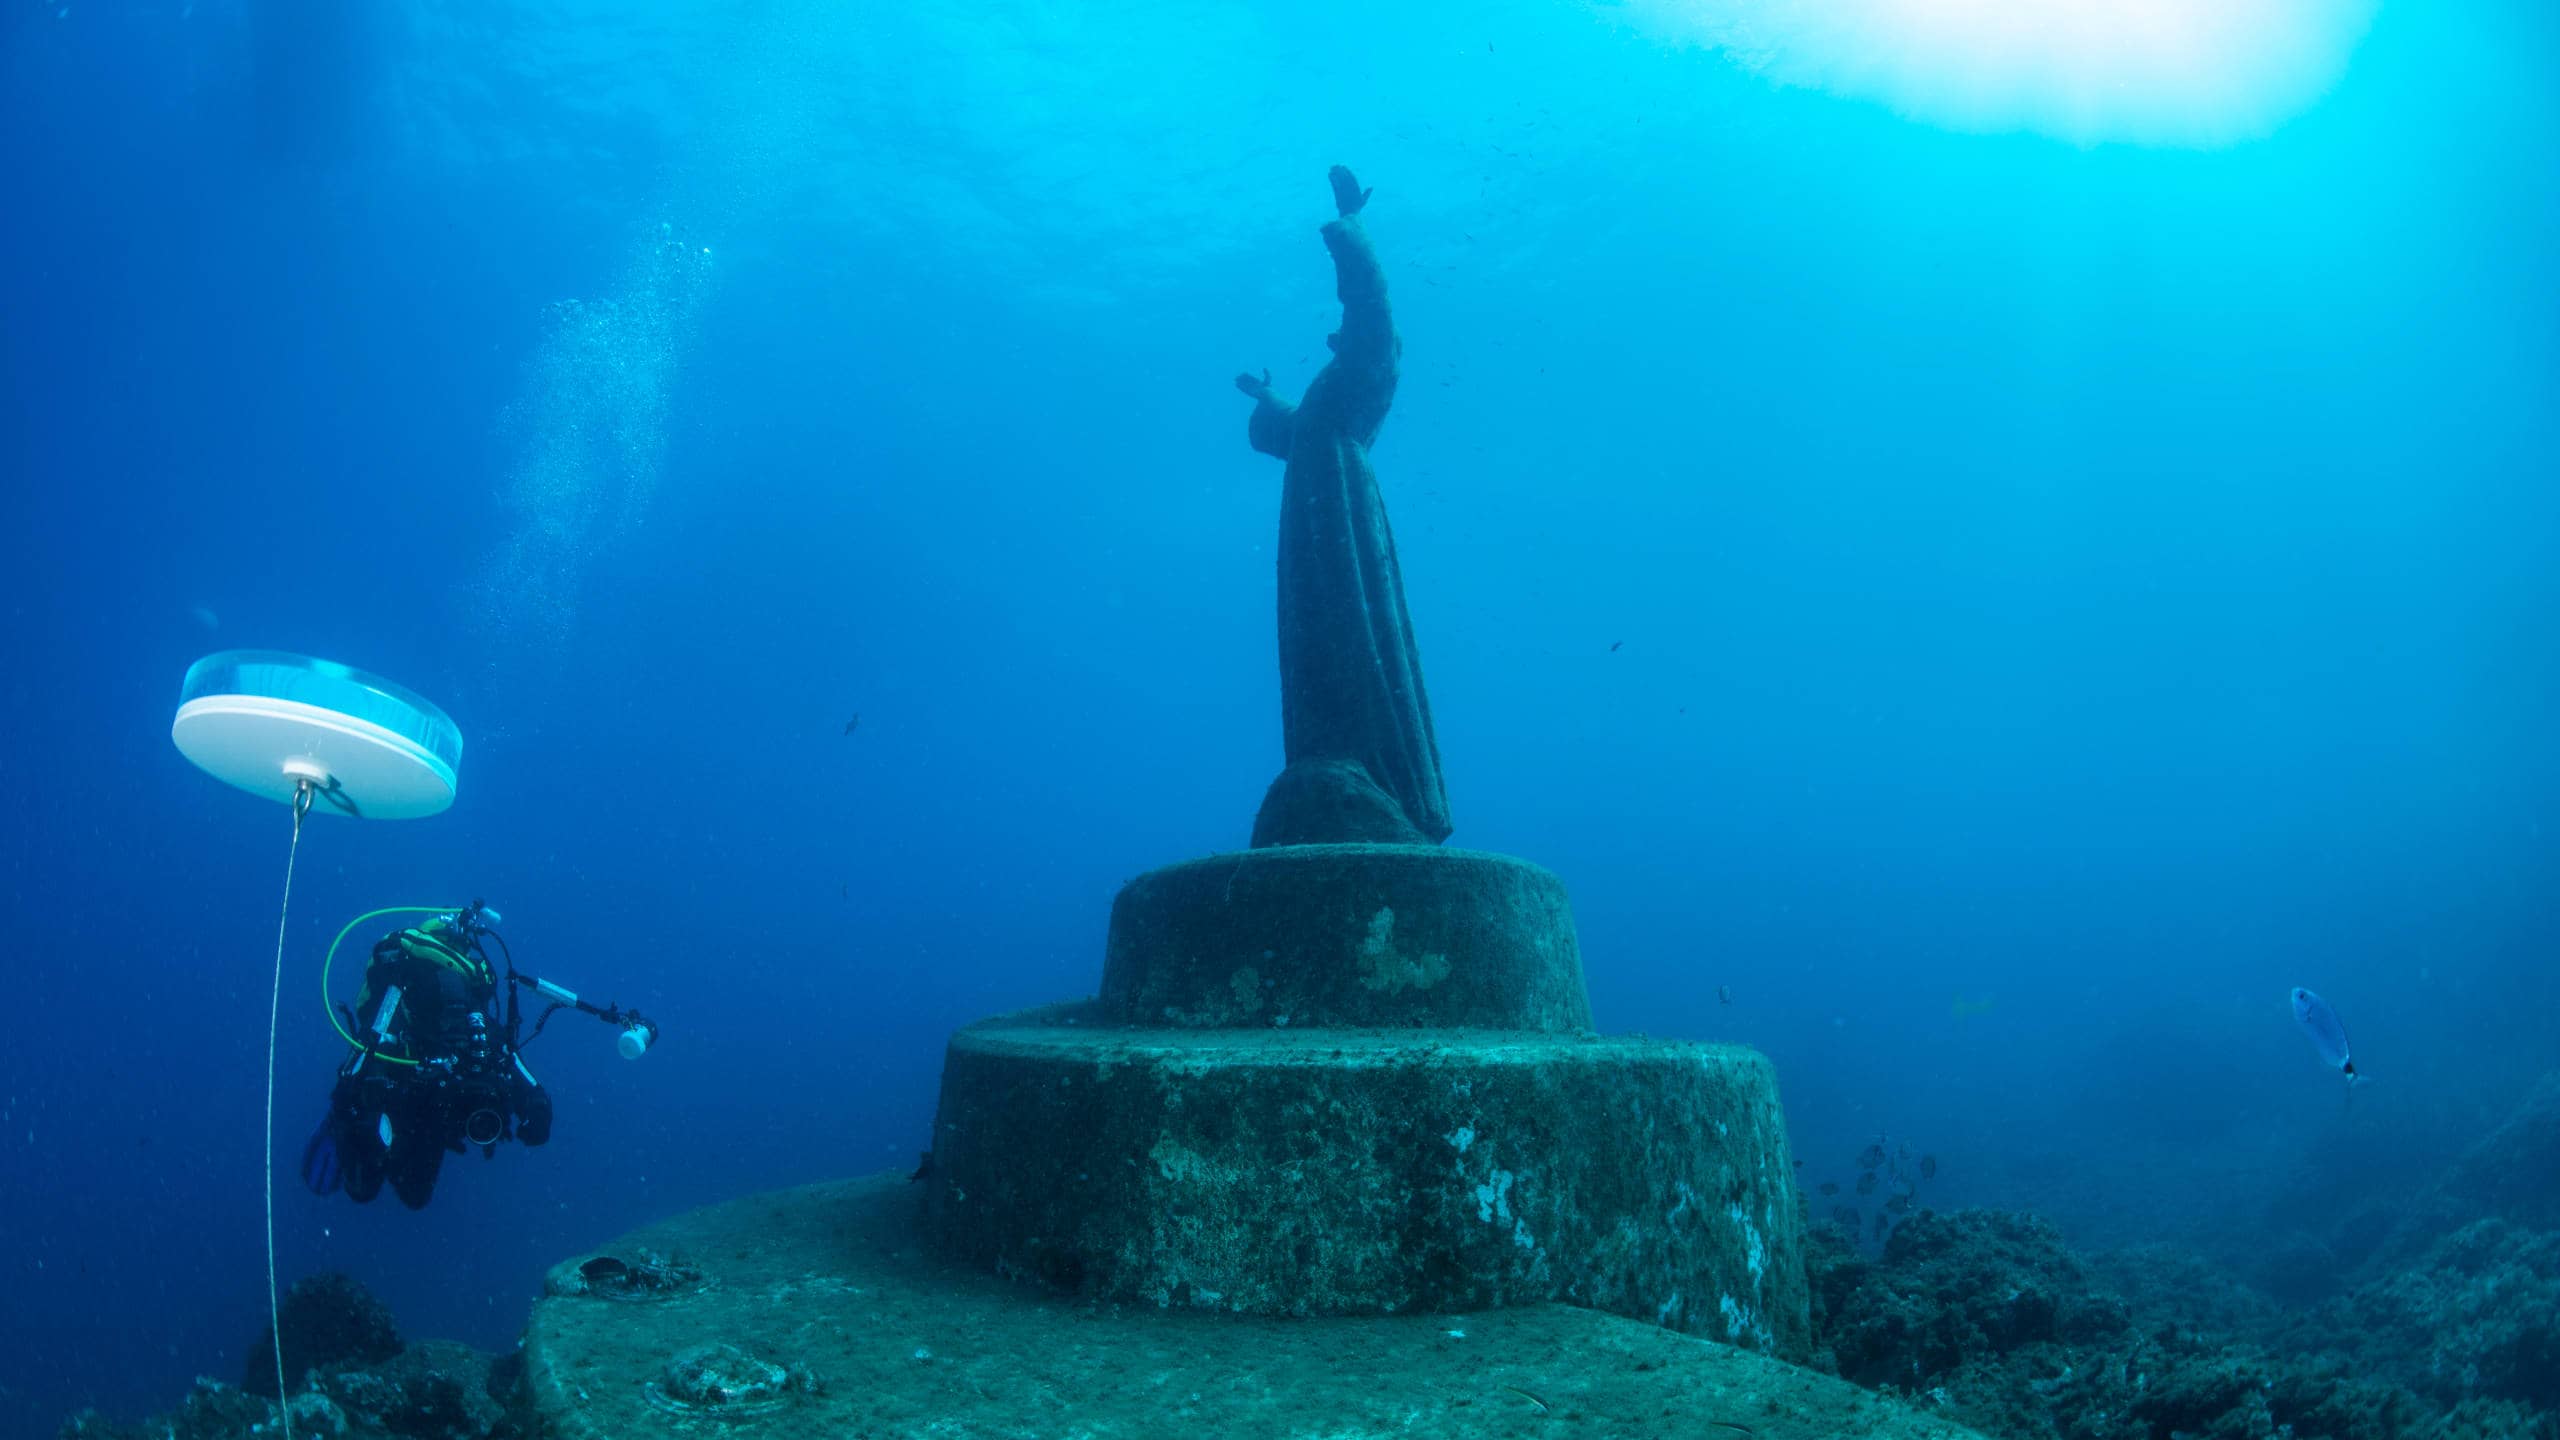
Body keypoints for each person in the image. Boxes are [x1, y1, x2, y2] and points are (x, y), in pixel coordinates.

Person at [1233, 165, 1453, 848]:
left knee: (1351, 632)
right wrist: (1266, 399)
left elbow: (1372, 312)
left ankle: (1379, 779)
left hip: (1340, 521)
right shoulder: (1324, 416)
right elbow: (1291, 431)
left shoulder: (1360, 384)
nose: (1336, 342)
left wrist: (1350, 227)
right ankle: (1335, 762)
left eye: (1343, 338)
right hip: (1314, 523)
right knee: (1320, 633)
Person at [301, 904, 552, 1209]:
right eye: (438, 979)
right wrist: (356, 1115)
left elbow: (507, 1057)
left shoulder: (474, 1019)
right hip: (399, 1103)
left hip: (436, 1114)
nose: (448, 990)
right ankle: (350, 1142)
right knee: (364, 1184)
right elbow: (360, 1066)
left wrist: (535, 1100)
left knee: (415, 1196)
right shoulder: (396, 1012)